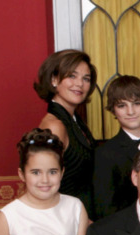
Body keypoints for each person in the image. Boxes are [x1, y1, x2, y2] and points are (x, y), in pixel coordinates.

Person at [34, 49, 97, 216]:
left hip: (82, 217)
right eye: (72, 76)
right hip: (65, 220)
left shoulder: (75, 121)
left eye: (86, 79)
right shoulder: (55, 126)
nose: (79, 84)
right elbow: (44, 183)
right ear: (54, 79)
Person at [93, 76, 140, 219]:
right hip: (126, 233)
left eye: (137, 103)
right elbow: (104, 208)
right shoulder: (104, 154)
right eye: (122, 106)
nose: (131, 111)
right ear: (113, 110)